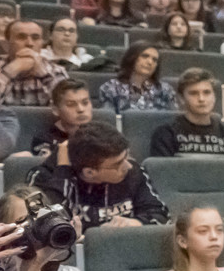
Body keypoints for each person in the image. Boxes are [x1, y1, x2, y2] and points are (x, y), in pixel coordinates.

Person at [33, 120, 169, 227]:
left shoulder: (133, 172)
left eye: (126, 157)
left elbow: (161, 215)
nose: (128, 166)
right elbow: (44, 224)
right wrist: (63, 172)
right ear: (89, 172)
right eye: (118, 164)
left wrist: (136, 223)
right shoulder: (45, 176)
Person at [149, 69, 224, 157]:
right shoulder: (166, 134)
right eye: (193, 93)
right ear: (181, 99)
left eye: (207, 92)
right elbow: (162, 169)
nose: (201, 99)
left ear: (214, 97)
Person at [0, 19, 66, 106]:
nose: (29, 43)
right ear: (6, 44)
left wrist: (43, 74)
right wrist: (9, 71)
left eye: (35, 38)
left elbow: (66, 104)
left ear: (42, 43)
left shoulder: (56, 71)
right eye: (21, 37)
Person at [98, 42, 175, 113]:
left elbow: (173, 118)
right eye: (145, 56)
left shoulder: (165, 90)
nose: (150, 62)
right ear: (132, 58)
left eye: (154, 60)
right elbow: (108, 118)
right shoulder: (111, 87)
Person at [31, 79, 91, 157]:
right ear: (56, 110)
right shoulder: (44, 139)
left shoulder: (101, 133)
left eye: (85, 103)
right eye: (71, 104)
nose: (81, 109)